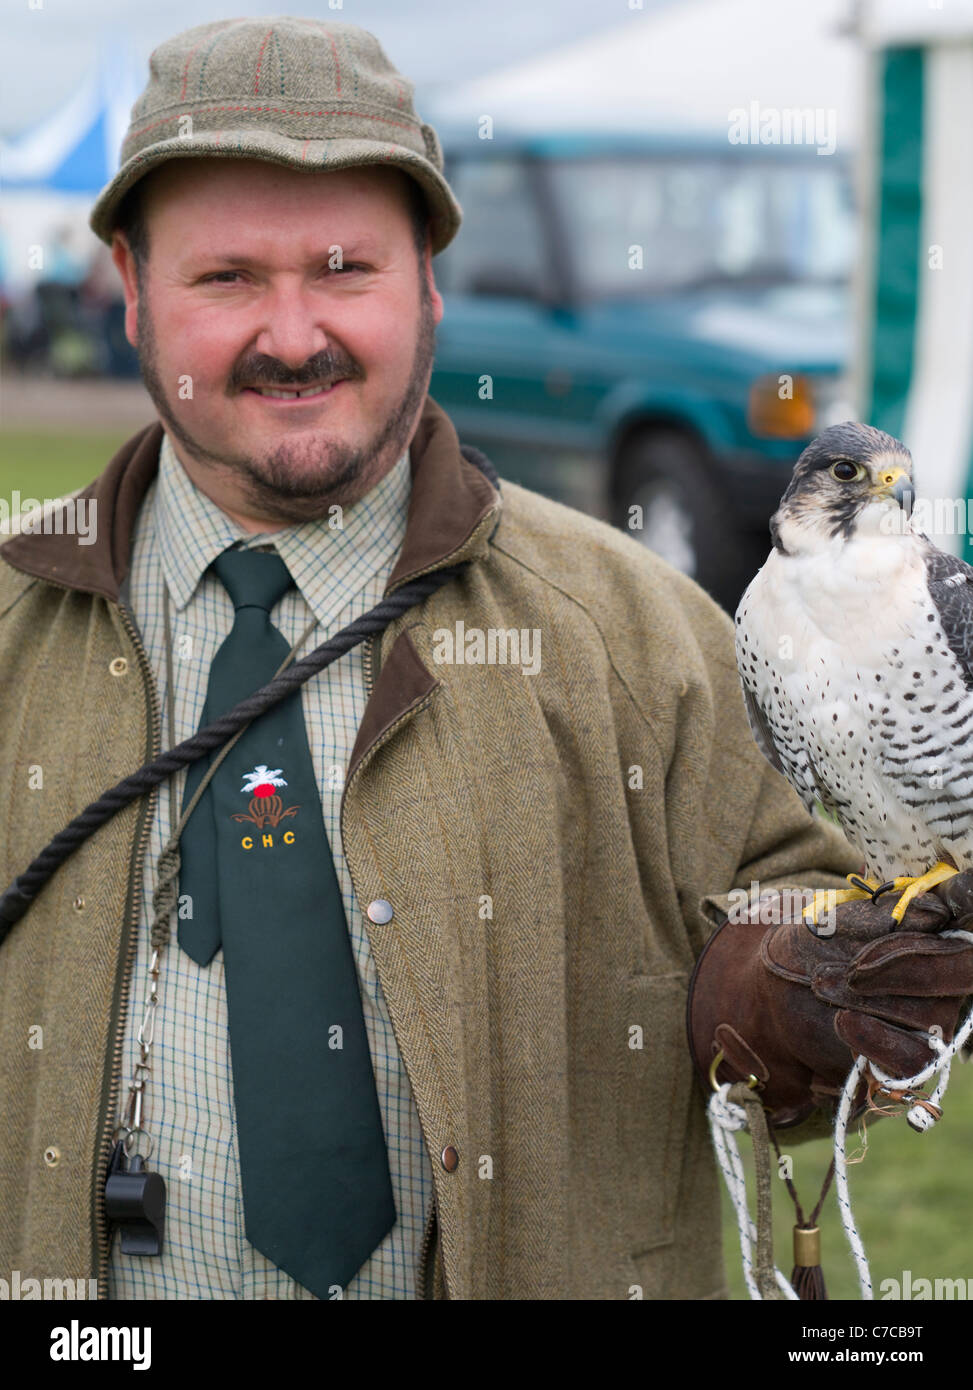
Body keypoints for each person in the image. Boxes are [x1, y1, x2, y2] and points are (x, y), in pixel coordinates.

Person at [1, 15, 971, 1303]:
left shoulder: (652, 640)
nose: (293, 336)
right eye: (226, 277)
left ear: (431, 287)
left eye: (346, 270)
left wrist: (786, 999)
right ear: (128, 290)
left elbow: (811, 922)